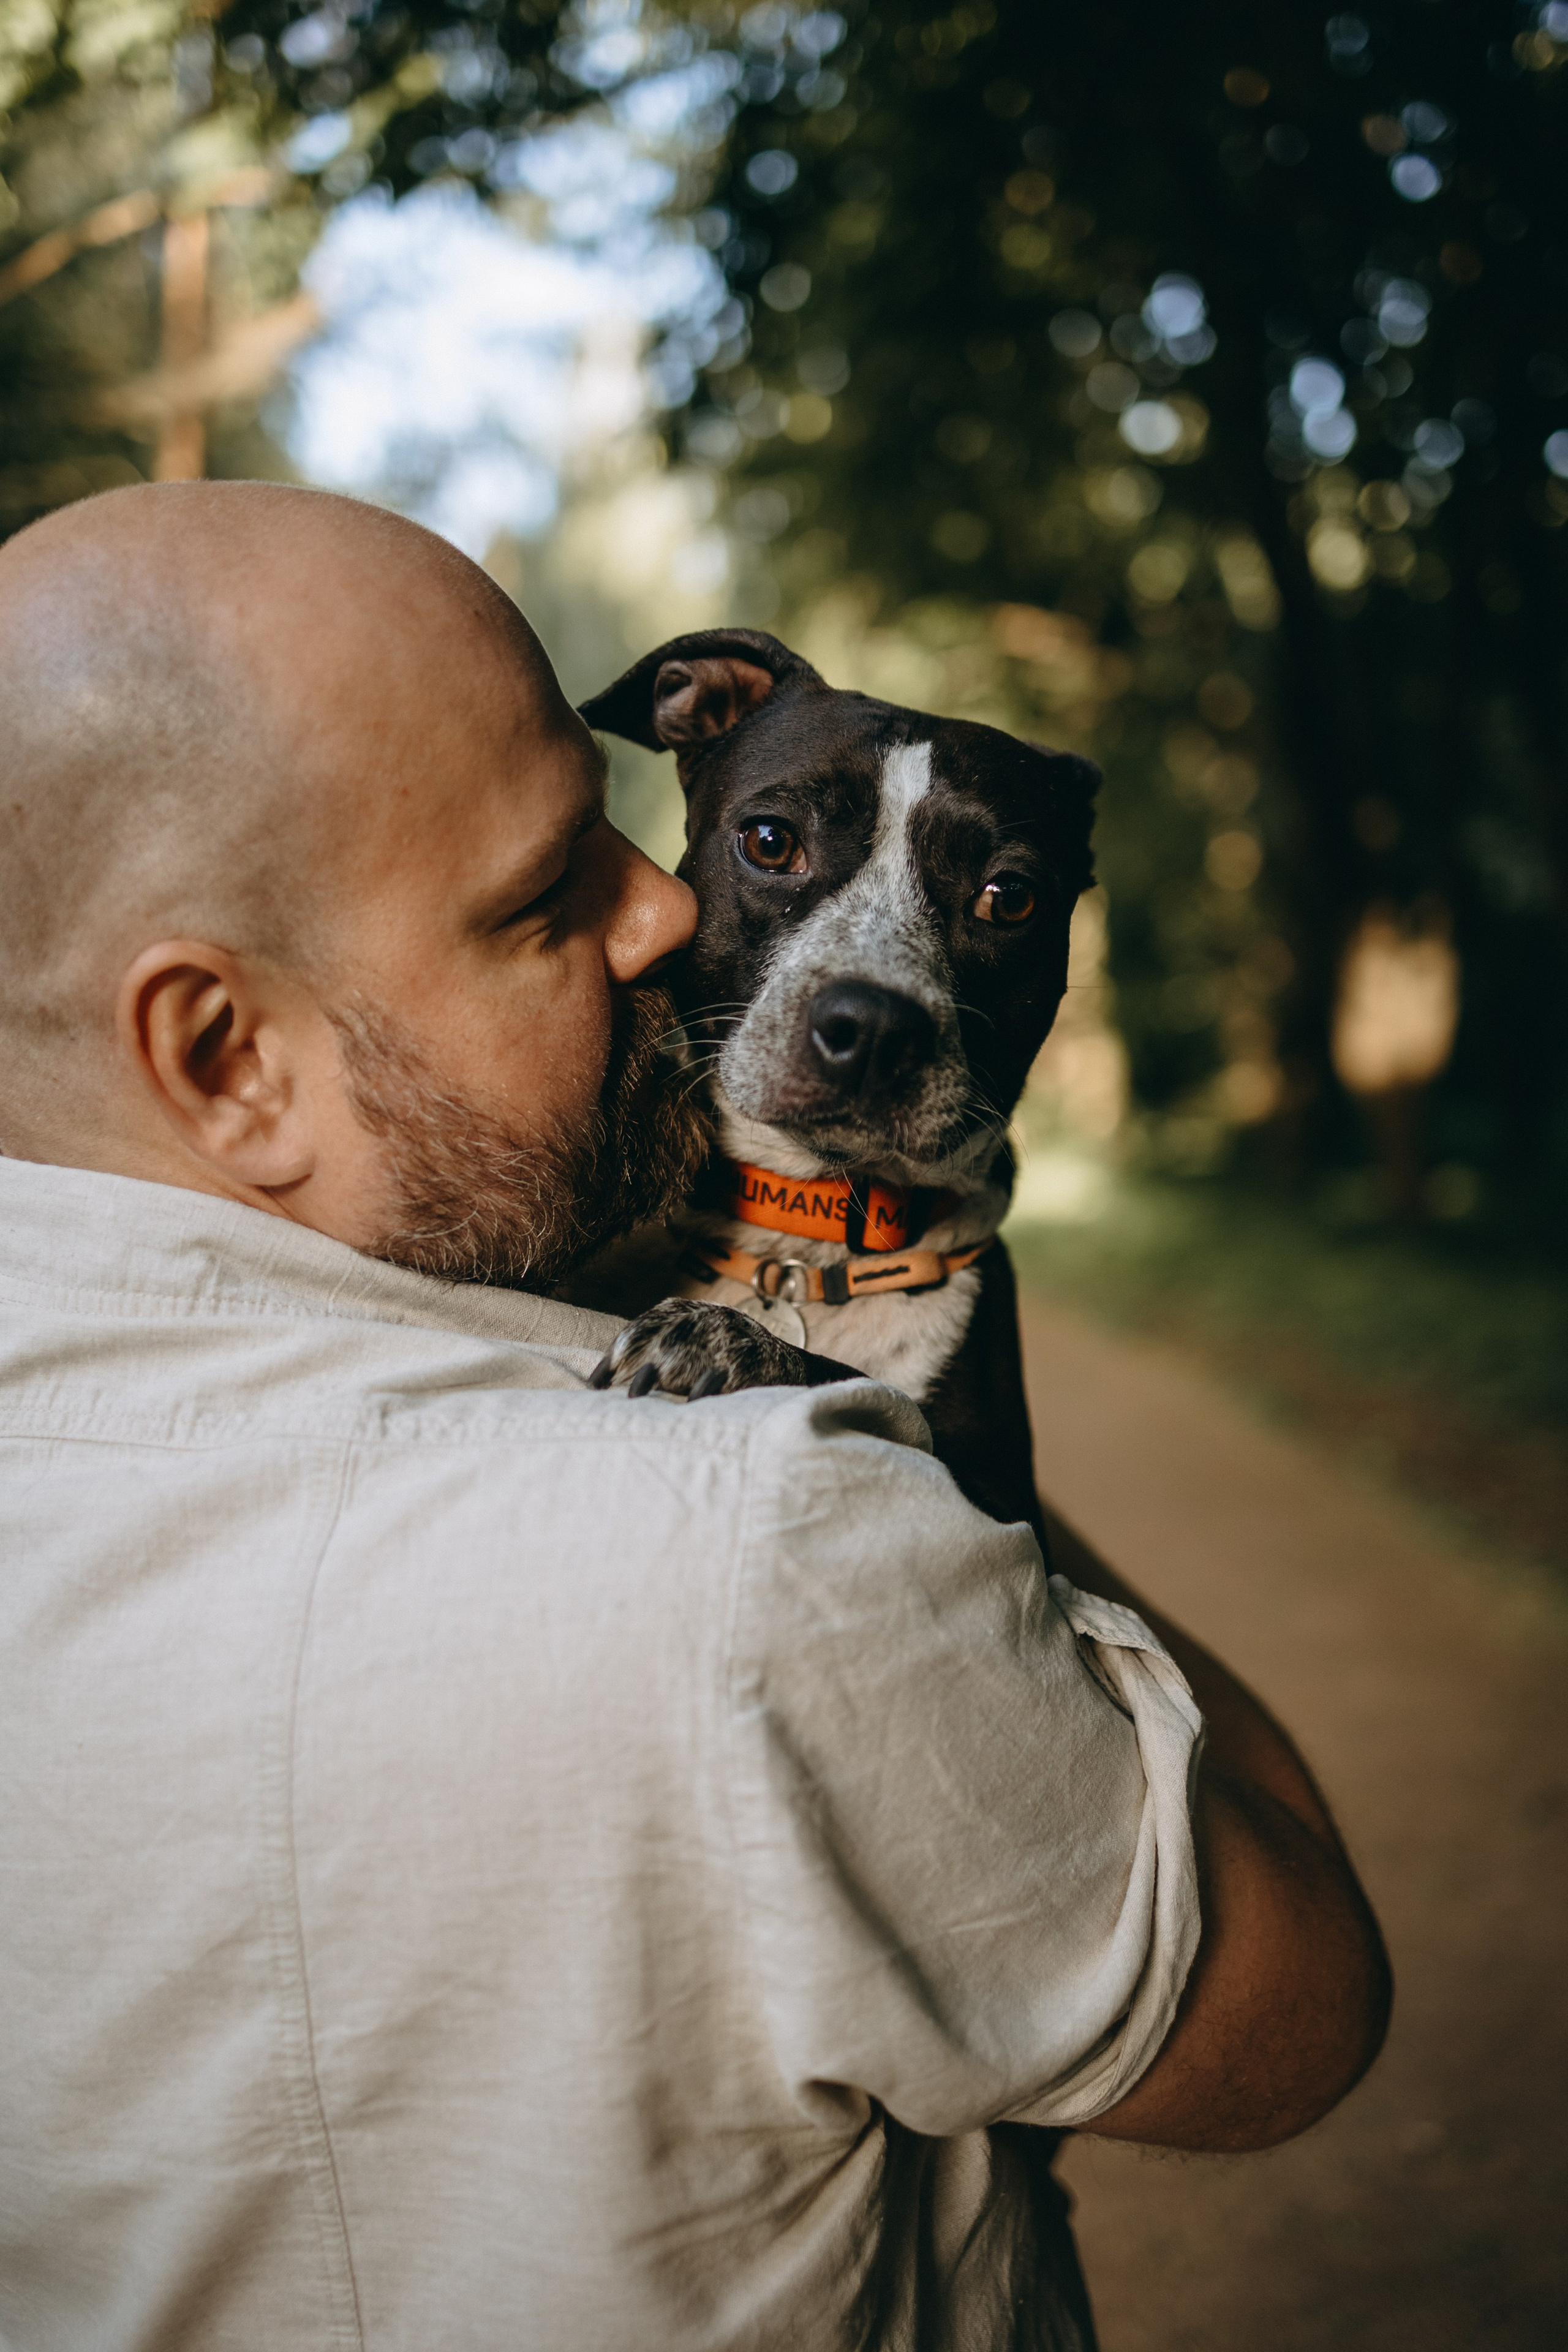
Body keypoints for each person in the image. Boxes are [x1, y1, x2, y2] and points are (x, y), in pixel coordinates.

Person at [0, 483, 1389, 2352]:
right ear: (227, 1055)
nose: (660, 915)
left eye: (625, 840)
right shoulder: (766, 1549)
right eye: (540, 896)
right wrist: (941, 1486)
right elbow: (1304, 2012)